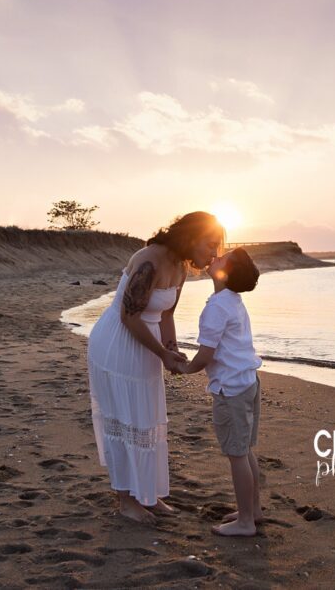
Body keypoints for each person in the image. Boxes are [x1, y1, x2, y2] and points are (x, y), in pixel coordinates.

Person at [86, 211, 224, 524]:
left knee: (146, 419)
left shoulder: (181, 267)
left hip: (148, 346)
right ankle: (126, 500)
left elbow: (166, 315)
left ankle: (149, 494)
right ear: (191, 238)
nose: (214, 253)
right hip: (118, 345)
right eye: (211, 244)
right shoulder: (150, 260)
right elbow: (129, 316)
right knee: (124, 419)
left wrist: (172, 349)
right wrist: (162, 353)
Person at [172, 247, 263, 536]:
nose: (216, 257)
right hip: (247, 381)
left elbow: (207, 353)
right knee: (245, 450)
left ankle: (246, 522)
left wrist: (186, 370)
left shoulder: (217, 306)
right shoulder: (231, 301)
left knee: (237, 454)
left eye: (223, 259)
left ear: (227, 273)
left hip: (232, 389)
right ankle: (253, 510)